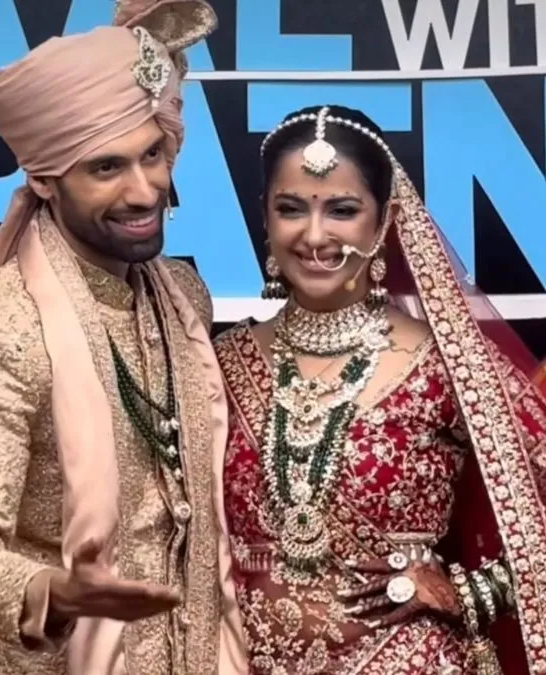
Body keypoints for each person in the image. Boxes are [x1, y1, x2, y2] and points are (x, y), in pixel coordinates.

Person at [0, 1, 248, 673]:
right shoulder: (0, 324)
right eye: (107, 168)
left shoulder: (183, 296)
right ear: (45, 179)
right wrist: (52, 592)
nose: (145, 190)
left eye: (153, 155)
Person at [214, 104, 546, 673]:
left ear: (385, 220)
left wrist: (473, 593)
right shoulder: (219, 362)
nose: (314, 235)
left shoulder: (445, 364)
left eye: (342, 210)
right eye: (290, 209)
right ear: (264, 217)